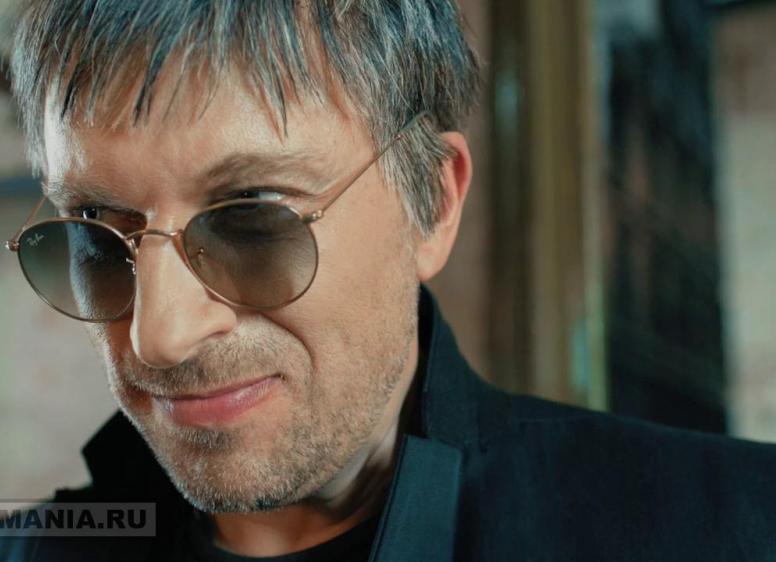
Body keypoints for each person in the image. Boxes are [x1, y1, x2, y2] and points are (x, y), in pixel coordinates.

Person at [2, 1, 776, 561]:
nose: (159, 335)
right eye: (97, 231)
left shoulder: (730, 529)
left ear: (431, 204)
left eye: (251, 221)